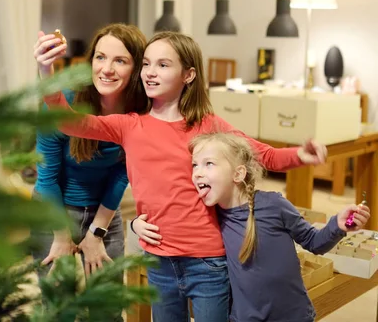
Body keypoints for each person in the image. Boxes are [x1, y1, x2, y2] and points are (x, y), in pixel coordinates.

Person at [34, 31, 328, 322]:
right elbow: (70, 122)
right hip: (159, 262)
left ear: (188, 75)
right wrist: (47, 71)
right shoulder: (128, 125)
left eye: (163, 65)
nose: (150, 72)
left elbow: (263, 155)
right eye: (146, 64)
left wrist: (300, 156)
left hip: (208, 262)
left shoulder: (209, 125)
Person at [189, 132, 370, 322]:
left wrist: (337, 224)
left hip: (294, 316)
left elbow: (314, 242)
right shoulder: (210, 217)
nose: (197, 172)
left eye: (208, 163)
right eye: (194, 165)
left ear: (238, 173)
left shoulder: (274, 204)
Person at [32, 24, 148, 279]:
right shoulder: (66, 101)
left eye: (120, 60)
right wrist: (61, 236)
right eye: (100, 57)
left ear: (137, 67)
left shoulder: (139, 113)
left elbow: (121, 175)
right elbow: (47, 177)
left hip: (104, 212)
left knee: (108, 305)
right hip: (53, 210)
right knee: (56, 307)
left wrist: (97, 231)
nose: (107, 69)